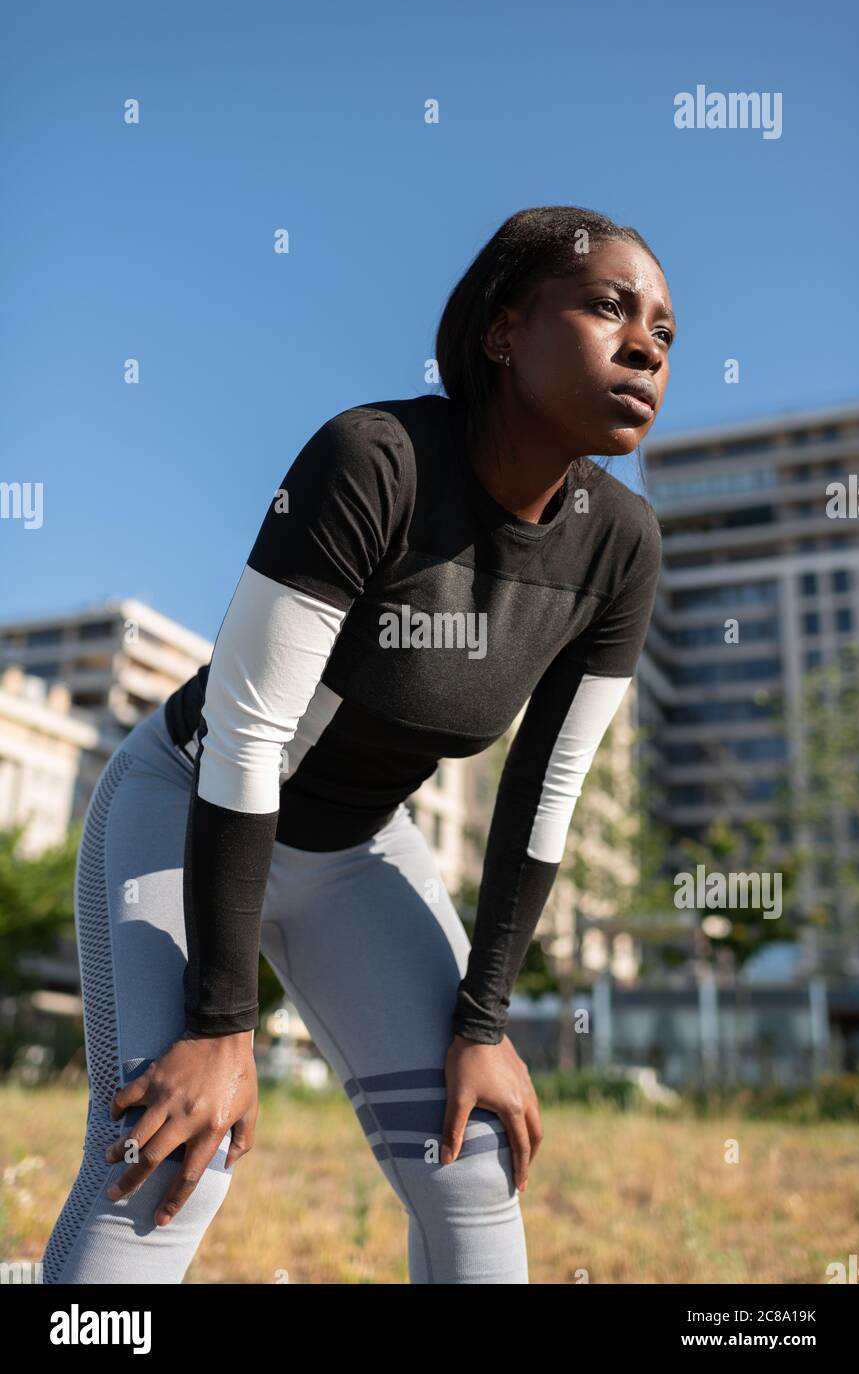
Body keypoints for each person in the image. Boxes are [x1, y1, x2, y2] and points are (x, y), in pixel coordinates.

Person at [42, 205, 672, 1284]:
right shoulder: (371, 458)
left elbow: (546, 788)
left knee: (470, 1162)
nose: (646, 343)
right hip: (189, 808)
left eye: (663, 326)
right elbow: (247, 731)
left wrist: (482, 1020)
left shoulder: (619, 543)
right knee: (170, 1152)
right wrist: (221, 1020)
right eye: (608, 306)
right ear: (502, 330)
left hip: (359, 853)